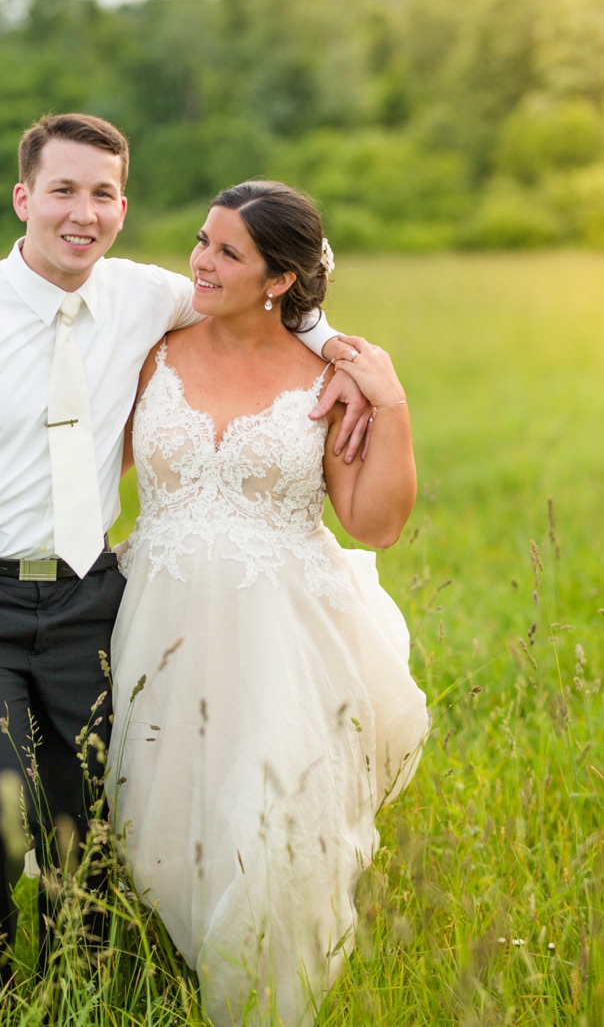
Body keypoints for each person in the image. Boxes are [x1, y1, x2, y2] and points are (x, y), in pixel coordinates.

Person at [0, 113, 374, 986]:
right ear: (24, 197)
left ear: (122, 205)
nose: (81, 213)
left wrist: (344, 354)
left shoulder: (142, 295)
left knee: (83, 820)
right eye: (62, 190)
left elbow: (260, 298)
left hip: (91, 598)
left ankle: (75, 985)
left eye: (101, 194)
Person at [107, 181, 429, 1026]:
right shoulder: (156, 351)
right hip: (159, 630)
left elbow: (375, 520)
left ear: (280, 278)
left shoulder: (331, 380)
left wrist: (387, 396)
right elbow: (87, 472)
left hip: (283, 638)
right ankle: (178, 975)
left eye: (227, 252)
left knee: (269, 831)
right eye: (203, 242)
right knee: (163, 842)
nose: (201, 263)